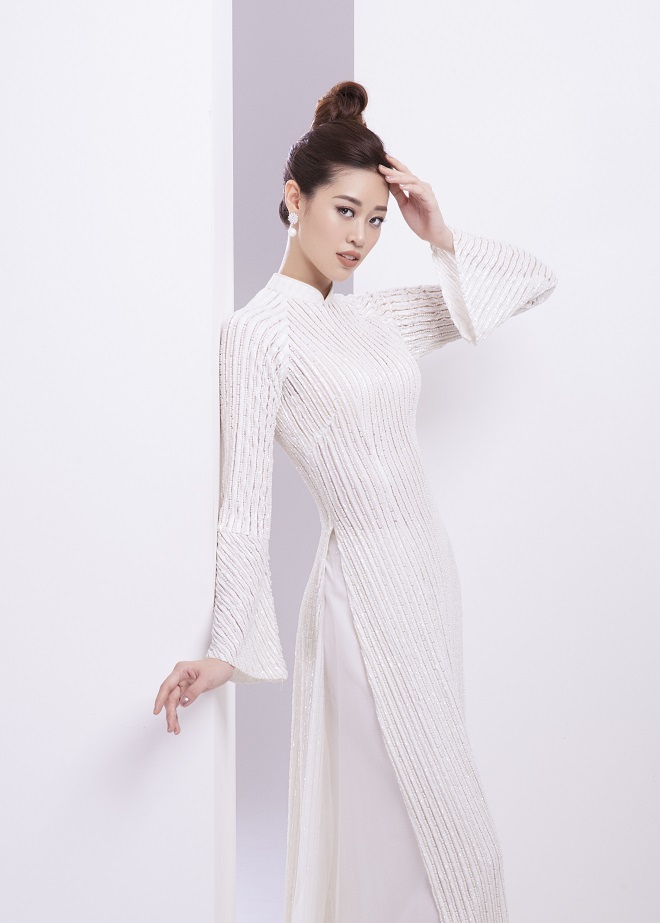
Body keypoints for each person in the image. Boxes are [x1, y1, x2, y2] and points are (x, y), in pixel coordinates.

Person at [154, 80, 558, 922]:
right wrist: (225, 649)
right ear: (293, 198)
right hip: (360, 590)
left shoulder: (373, 321)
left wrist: (437, 229)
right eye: (346, 212)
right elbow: (244, 504)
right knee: (428, 834)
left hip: (428, 575)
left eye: (376, 220)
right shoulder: (257, 334)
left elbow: (530, 280)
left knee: (431, 826)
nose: (362, 238)